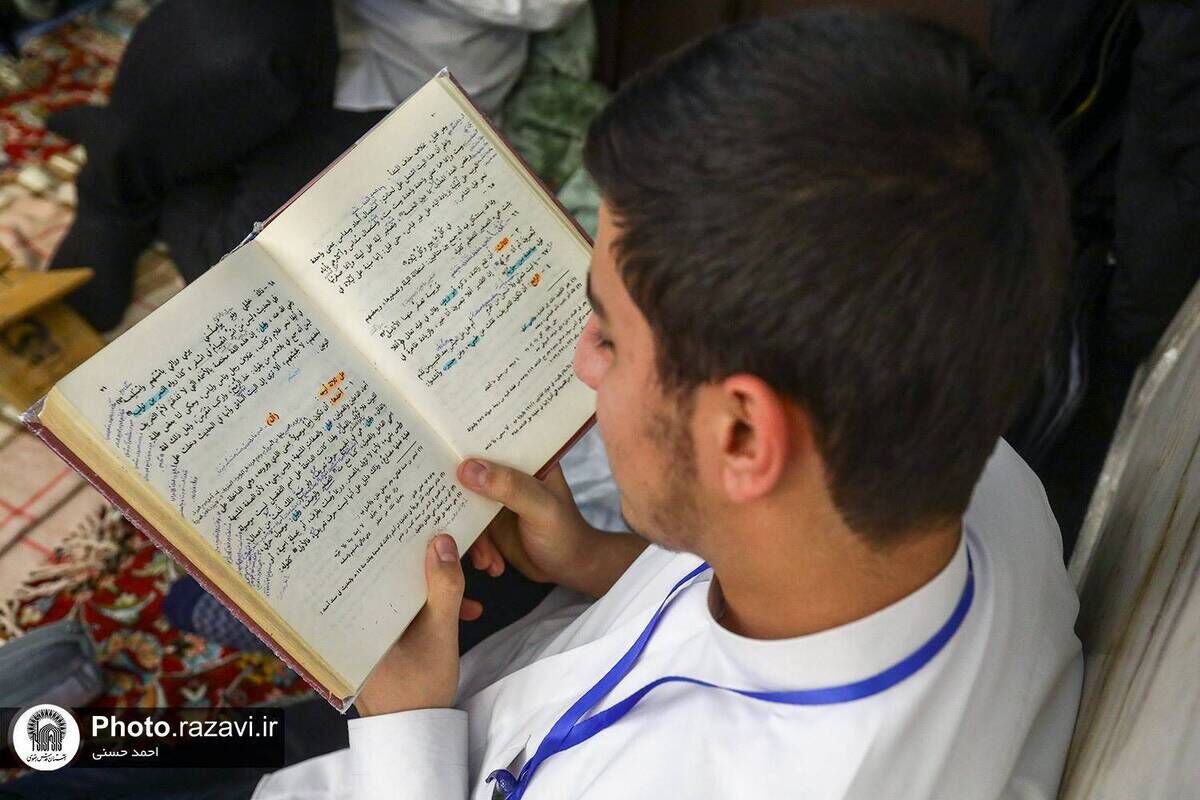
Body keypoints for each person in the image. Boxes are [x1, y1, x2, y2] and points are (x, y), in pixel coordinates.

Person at [249, 8, 1083, 799]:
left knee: (175, 750)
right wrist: (592, 559)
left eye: (609, 338)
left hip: (399, 745)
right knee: (176, 742)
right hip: (474, 683)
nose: (582, 362)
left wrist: (404, 739)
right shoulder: (978, 479)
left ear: (743, 434)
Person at [50, 0, 586, 331]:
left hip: (397, 76)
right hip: (267, 32)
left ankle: (144, 143)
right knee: (233, 38)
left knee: (256, 283)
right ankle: (113, 194)